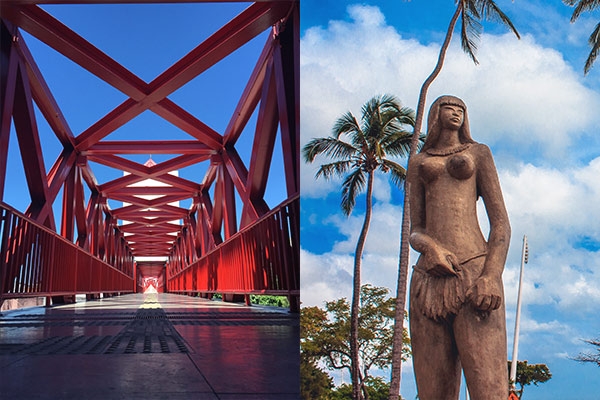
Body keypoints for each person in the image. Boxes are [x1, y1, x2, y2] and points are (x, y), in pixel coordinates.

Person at [407, 95, 511, 400]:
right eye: (449, 107)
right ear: (436, 114)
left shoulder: (478, 153)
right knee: (432, 393)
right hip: (428, 279)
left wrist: (491, 276)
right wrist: (430, 249)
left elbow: (501, 224)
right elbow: (416, 230)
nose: (456, 112)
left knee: (488, 389)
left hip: (475, 272)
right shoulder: (417, 162)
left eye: (461, 108)